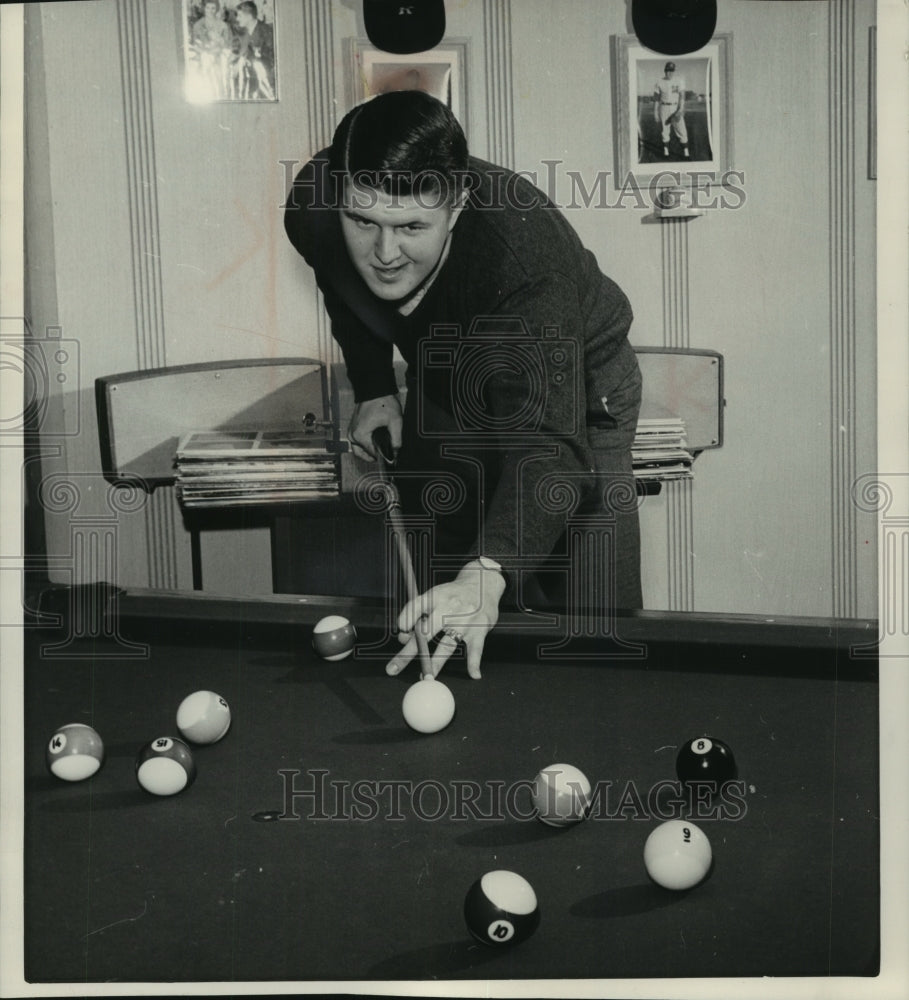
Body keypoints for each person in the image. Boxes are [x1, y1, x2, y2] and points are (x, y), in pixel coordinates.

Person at [284, 90, 642, 680]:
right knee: (444, 551)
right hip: (445, 367)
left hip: (575, 388)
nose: (384, 254)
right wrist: (374, 386)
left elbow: (549, 447)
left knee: (587, 599)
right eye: (363, 221)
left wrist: (489, 570)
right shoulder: (314, 207)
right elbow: (342, 281)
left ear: (456, 208)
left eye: (411, 226)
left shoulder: (523, 260)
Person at [653, 61, 690, 159]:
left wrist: (681, 109)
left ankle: (686, 151)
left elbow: (682, 96)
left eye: (672, 70)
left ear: (674, 71)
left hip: (675, 107)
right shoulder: (659, 82)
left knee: (681, 130)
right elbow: (656, 99)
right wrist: (655, 112)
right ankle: (666, 151)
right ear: (665, 71)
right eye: (668, 70)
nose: (670, 72)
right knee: (665, 130)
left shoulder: (679, 81)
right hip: (664, 107)